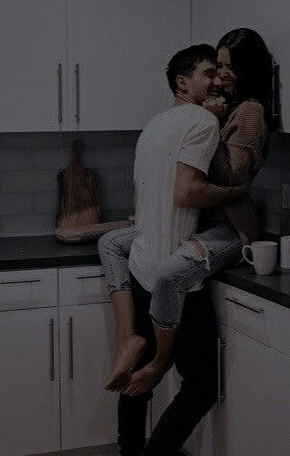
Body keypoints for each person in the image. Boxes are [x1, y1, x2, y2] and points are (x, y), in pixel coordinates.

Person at [112, 44, 247, 456]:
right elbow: (186, 191)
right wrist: (239, 194)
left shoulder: (153, 124)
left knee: (142, 379)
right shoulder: (203, 124)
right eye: (208, 74)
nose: (217, 82)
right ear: (181, 82)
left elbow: (149, 193)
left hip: (144, 264)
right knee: (201, 387)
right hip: (175, 273)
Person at [99, 28, 271, 397]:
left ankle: (157, 363)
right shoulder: (211, 114)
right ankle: (128, 339)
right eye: (215, 69)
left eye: (227, 68)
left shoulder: (250, 110)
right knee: (111, 242)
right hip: (204, 225)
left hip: (229, 229)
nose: (221, 76)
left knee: (168, 272)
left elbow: (231, 174)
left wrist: (210, 123)